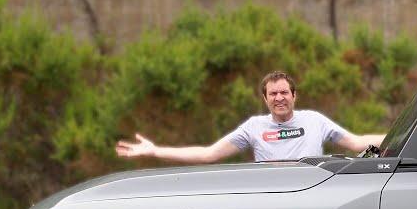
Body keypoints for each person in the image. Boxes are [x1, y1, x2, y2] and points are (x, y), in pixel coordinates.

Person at [115, 70, 384, 164]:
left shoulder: (315, 120)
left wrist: (403, 135)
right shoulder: (254, 127)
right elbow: (208, 154)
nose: (279, 98)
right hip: (269, 199)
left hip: (311, 196)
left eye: (284, 92)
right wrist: (155, 151)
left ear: (294, 96)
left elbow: (357, 142)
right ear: (265, 99)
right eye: (273, 94)